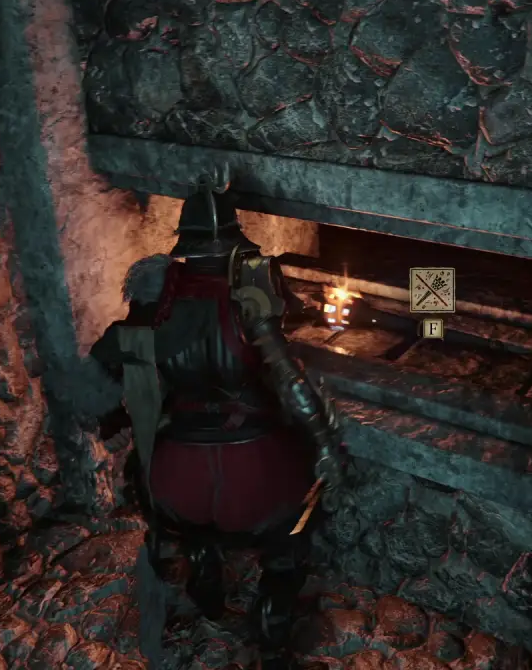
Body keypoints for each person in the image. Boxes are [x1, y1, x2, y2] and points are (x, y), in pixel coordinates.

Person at [90, 167, 345, 670]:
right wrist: (325, 447)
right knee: (297, 521)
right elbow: (291, 382)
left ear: (185, 242)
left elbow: (107, 356)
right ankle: (272, 620)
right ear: (232, 240)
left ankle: (205, 575)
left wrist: (122, 406)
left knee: (184, 511)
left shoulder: (156, 295)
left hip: (175, 481)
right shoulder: (250, 292)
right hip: (252, 475)